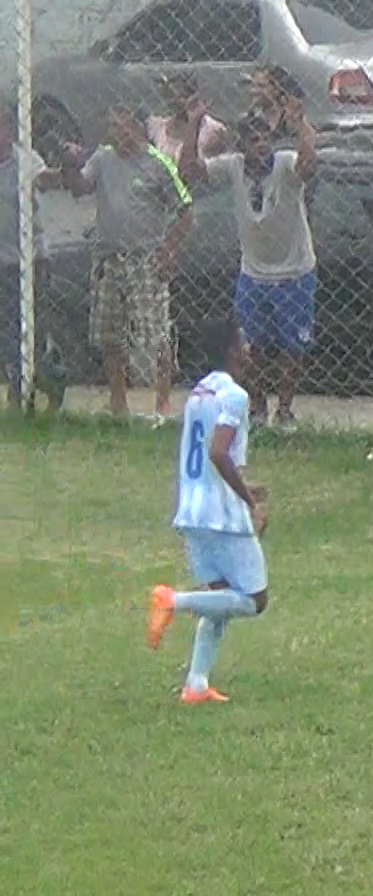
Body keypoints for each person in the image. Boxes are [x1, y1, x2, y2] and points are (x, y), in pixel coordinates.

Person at [146, 317, 270, 704]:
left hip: (192, 510)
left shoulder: (198, 394)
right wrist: (249, 503)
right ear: (232, 350)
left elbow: (203, 454)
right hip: (222, 516)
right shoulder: (234, 396)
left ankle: (196, 684)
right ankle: (172, 601)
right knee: (253, 600)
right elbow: (218, 451)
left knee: (220, 600)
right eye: (244, 341)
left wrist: (244, 484)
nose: (249, 348)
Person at [177, 101, 318, 429]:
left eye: (265, 137)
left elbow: (309, 166)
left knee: (291, 346)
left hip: (294, 269)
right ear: (241, 144)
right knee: (247, 345)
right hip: (254, 271)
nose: (261, 144)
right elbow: (189, 171)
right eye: (253, 139)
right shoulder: (234, 167)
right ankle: (257, 406)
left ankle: (284, 409)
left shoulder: (284, 164)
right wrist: (195, 123)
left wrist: (301, 127)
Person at [55, 103, 194, 419]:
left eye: (121, 126)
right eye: (112, 126)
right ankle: (118, 403)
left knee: (155, 331)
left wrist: (168, 249)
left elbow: (186, 210)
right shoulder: (103, 159)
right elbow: (80, 188)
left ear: (137, 127)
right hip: (109, 259)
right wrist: (69, 165)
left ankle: (162, 403)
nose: (115, 133)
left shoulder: (158, 163)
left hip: (145, 260)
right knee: (110, 334)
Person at [2, 101, 60, 409]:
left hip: (30, 259)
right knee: (7, 329)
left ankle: (47, 379)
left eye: (4, 125)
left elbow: (46, 179)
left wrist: (60, 169)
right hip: (2, 261)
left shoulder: (25, 161)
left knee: (33, 326)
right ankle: (18, 382)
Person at [148, 73, 230, 163]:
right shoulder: (156, 127)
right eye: (169, 96)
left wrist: (194, 120)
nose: (174, 102)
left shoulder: (212, 130)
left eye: (182, 97)